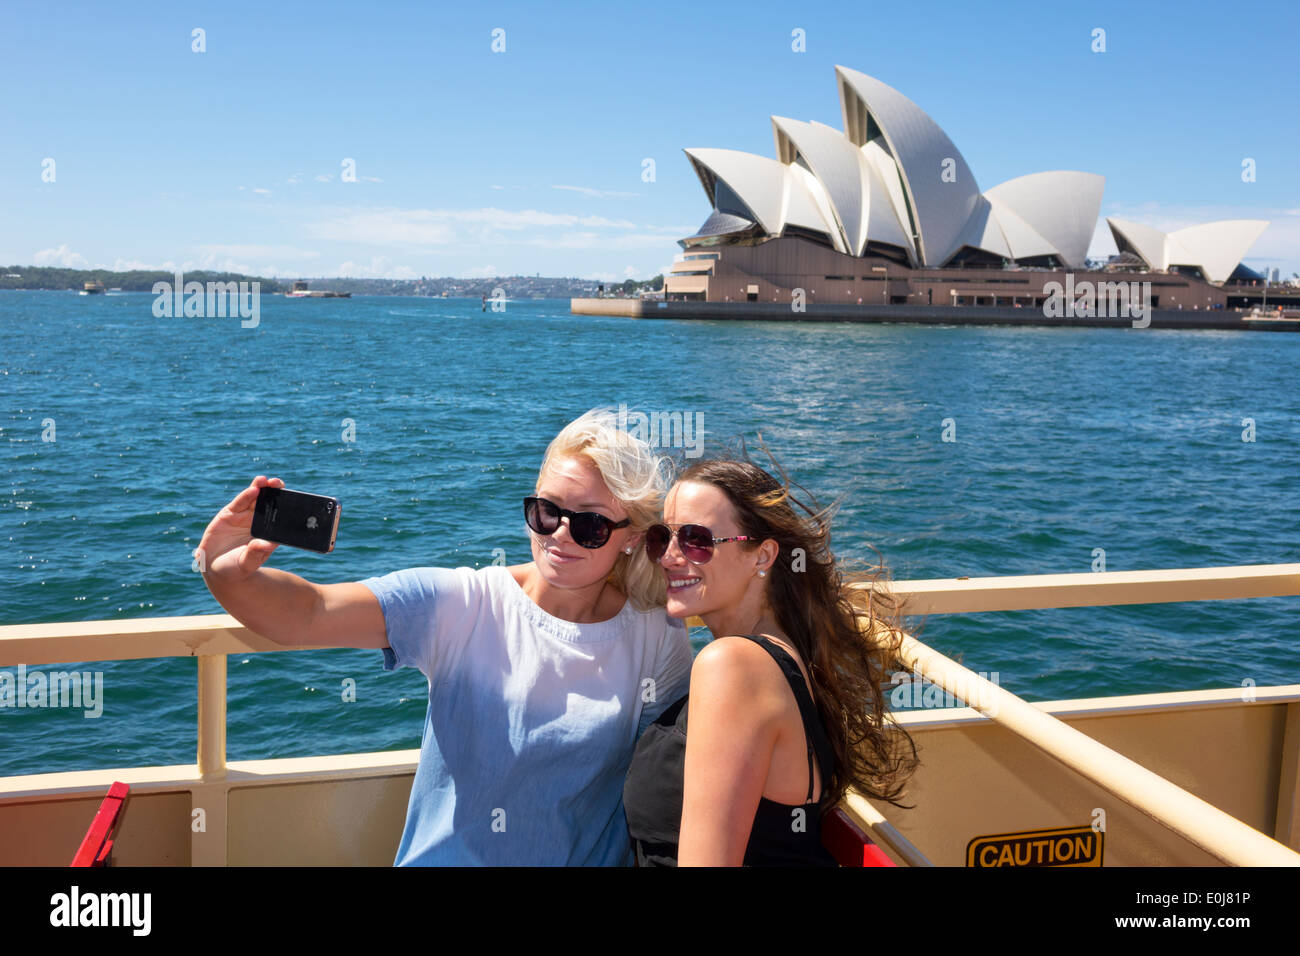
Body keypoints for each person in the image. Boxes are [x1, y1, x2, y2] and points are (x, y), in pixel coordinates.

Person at [197, 408, 692, 865]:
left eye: (590, 524)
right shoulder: (463, 605)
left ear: (630, 537)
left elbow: (660, 782)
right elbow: (309, 612)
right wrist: (226, 573)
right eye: (547, 511)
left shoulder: (655, 634)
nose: (560, 533)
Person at [623, 456, 918, 866]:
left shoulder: (732, 665)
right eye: (662, 538)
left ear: (761, 557)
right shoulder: (782, 659)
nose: (670, 557)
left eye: (696, 540)